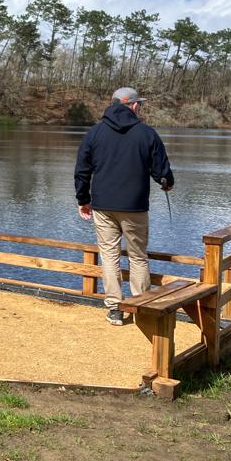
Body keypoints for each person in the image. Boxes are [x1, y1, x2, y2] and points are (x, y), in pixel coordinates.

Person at [74, 87, 174, 326]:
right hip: (135, 206)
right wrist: (167, 183)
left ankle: (115, 309)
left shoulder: (95, 133)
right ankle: (140, 307)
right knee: (138, 257)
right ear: (134, 105)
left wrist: (83, 200)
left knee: (109, 257)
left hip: (103, 205)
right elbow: (161, 171)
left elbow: (82, 170)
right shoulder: (147, 134)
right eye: (139, 104)